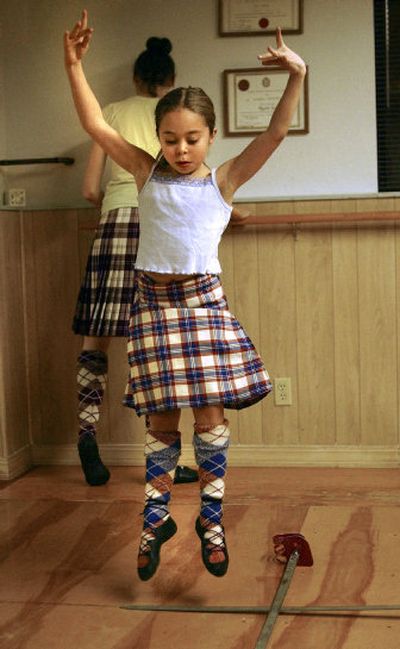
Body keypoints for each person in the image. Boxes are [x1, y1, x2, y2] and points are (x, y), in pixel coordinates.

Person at [64, 9, 306, 580]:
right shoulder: (146, 173)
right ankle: (156, 518)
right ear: (158, 139)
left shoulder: (224, 179)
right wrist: (73, 64)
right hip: (154, 308)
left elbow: (274, 133)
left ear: (211, 137)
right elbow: (98, 126)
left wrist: (296, 75)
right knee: (161, 426)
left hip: (203, 308)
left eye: (192, 138)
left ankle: (212, 520)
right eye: (169, 139)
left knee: (211, 419)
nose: (180, 148)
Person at [73, 35, 199, 487]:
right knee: (156, 345)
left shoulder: (109, 111)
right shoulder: (180, 115)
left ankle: (87, 431)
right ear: (171, 80)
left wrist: (111, 209)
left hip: (113, 223)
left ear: (134, 78)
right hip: (158, 225)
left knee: (96, 338)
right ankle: (162, 460)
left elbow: (90, 187)